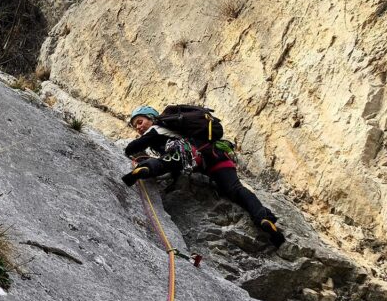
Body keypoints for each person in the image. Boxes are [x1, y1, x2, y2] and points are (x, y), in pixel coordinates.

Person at [121, 105, 286, 247]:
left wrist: (130, 151)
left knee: (168, 161)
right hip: (217, 156)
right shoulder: (179, 129)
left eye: (140, 122)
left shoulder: (156, 128)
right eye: (135, 126)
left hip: (190, 154)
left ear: (152, 118)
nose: (138, 128)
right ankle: (263, 218)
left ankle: (146, 169)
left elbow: (135, 146)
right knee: (236, 190)